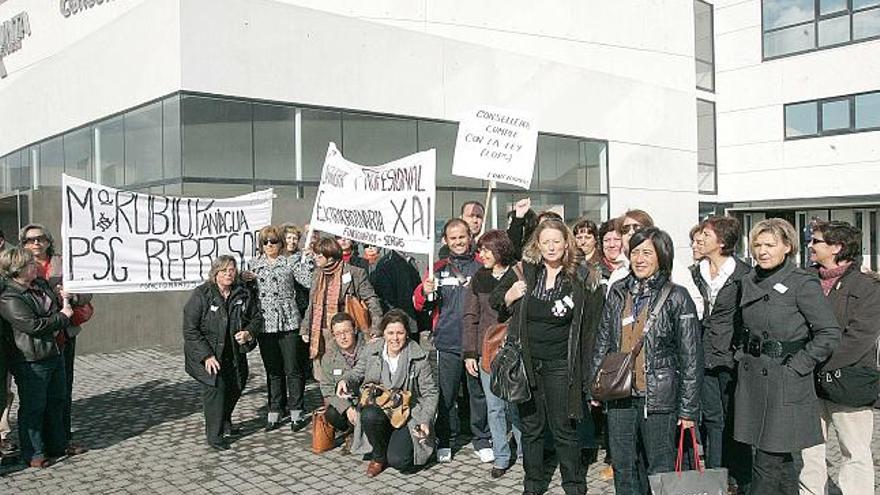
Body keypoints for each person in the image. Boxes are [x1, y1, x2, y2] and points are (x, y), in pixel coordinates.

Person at [588, 227, 702, 495]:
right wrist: (595, 385)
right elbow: (603, 341)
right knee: (624, 467)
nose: (639, 258)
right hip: (620, 395)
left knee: (659, 470)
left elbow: (691, 357)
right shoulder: (617, 292)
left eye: (647, 253)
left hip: (660, 399)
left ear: (661, 257)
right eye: (636, 252)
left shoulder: (677, 296)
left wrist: (687, 410)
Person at [492, 218, 600, 495]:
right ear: (537, 245)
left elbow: (590, 330)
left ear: (567, 244)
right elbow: (495, 299)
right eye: (545, 242)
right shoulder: (524, 271)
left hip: (562, 365)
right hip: (527, 362)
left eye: (556, 241)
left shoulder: (582, 276)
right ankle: (533, 484)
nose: (551, 247)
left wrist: (589, 373)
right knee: (531, 428)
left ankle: (574, 484)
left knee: (564, 429)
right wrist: (509, 296)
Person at [734, 218, 840, 494]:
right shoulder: (747, 281)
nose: (762, 251)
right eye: (757, 244)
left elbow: (829, 333)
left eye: (770, 244)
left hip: (785, 380)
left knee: (767, 462)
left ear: (787, 247)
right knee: (779, 462)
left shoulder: (801, 282)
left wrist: (797, 366)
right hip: (753, 379)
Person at [799, 220, 880, 495]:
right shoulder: (805, 279)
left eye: (816, 241)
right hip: (809, 378)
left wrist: (816, 361)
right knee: (809, 450)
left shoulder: (867, 285)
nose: (810, 245)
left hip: (849, 379)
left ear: (837, 247)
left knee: (854, 451)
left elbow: (859, 337)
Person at [413, 218, 490, 463]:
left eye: (462, 237)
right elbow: (419, 303)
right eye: (453, 238)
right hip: (446, 341)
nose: (458, 242)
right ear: (445, 240)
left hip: (475, 343)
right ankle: (445, 438)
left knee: (477, 393)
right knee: (446, 395)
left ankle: (481, 438)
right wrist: (425, 292)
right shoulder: (436, 268)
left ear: (470, 238)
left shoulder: (482, 267)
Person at [689, 216, 752, 493]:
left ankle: (741, 477)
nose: (698, 239)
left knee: (736, 420)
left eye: (705, 234)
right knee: (712, 420)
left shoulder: (744, 275)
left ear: (722, 242)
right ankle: (716, 479)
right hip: (703, 358)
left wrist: (739, 352)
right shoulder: (694, 273)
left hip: (731, 359)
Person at [336, 309, 438, 477]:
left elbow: (430, 392)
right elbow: (357, 373)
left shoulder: (418, 356)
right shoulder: (372, 350)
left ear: (407, 333)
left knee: (400, 461)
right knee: (368, 414)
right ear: (383, 333)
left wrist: (426, 420)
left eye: (400, 333)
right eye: (390, 333)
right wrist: (345, 381)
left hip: (408, 413)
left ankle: (405, 444)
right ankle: (378, 457)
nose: (395, 338)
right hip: (380, 407)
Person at [20, 223, 92, 455]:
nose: (36, 243)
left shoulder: (65, 261)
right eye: (30, 240)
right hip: (35, 339)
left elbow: (88, 289)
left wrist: (75, 296)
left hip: (63, 334)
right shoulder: (17, 264)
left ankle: (62, 437)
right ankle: (39, 444)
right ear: (23, 245)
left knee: (63, 389)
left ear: (49, 241)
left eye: (40, 238)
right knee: (36, 396)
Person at [0, 248, 74, 468]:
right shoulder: (9, 297)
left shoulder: (40, 286)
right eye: (30, 264)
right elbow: (31, 325)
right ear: (17, 270)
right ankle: (34, 452)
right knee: (34, 407)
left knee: (56, 401)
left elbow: (53, 308)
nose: (35, 266)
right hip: (30, 359)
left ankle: (58, 445)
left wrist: (65, 299)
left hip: (53, 352)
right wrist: (61, 318)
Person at [183, 255, 262, 451]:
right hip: (209, 354)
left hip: (234, 352)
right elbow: (190, 329)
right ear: (215, 273)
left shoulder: (242, 293)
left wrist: (249, 332)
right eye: (224, 270)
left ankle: (224, 420)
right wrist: (206, 356)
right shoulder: (202, 294)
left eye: (232, 270)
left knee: (237, 383)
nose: (229, 273)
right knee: (216, 391)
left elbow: (257, 317)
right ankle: (214, 436)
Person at [462, 229, 521, 478]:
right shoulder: (479, 278)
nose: (482, 255)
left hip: (515, 349)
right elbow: (470, 318)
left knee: (518, 404)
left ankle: (526, 453)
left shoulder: (518, 273)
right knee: (494, 407)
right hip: (488, 350)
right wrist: (469, 353)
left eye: (487, 249)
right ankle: (502, 456)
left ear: (501, 249)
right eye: (481, 250)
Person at [249, 225, 314, 432]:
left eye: (274, 241)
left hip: (288, 322)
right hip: (266, 325)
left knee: (292, 369)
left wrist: (310, 259)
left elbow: (309, 281)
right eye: (265, 242)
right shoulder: (253, 266)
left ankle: (297, 411)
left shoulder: (290, 261)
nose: (270, 245)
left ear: (281, 243)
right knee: (273, 371)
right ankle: (275, 410)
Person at [301, 237, 382, 364]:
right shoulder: (317, 274)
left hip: (347, 331)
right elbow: (312, 303)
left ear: (330, 256)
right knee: (325, 372)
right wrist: (306, 328)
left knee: (347, 367)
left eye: (319, 255)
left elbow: (371, 300)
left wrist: (376, 328)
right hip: (322, 332)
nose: (315, 258)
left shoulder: (355, 273)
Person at [318, 312, 365, 453]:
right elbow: (326, 389)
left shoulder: (369, 350)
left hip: (368, 400)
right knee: (331, 413)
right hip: (347, 402)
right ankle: (351, 432)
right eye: (338, 334)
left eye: (346, 331)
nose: (343, 337)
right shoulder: (328, 357)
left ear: (355, 330)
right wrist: (347, 408)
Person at [368, 247, 422, 339]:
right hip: (398, 322)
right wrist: (395, 320)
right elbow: (387, 298)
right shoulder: (387, 262)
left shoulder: (410, 260)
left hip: (412, 321)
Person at [598, 219, 628, 295]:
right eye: (607, 240)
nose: (612, 245)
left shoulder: (632, 270)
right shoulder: (593, 272)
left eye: (617, 239)